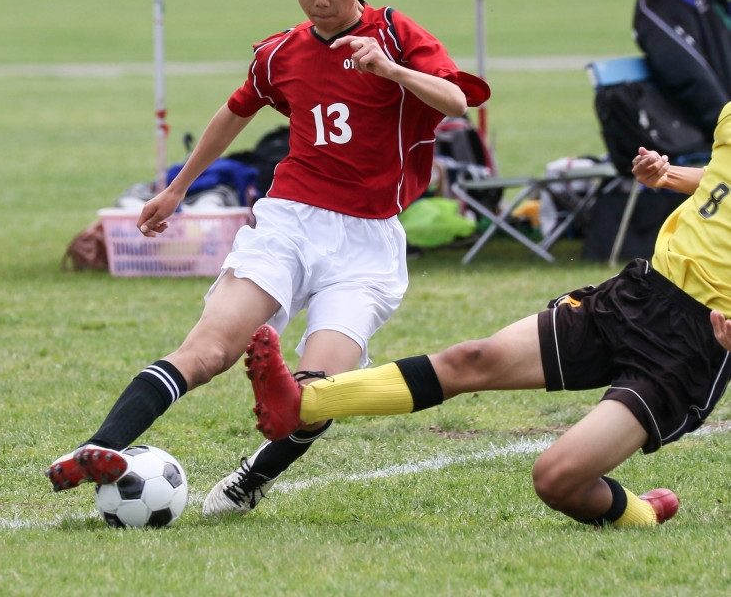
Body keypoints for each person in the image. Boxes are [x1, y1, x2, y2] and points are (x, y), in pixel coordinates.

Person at [45, 0, 490, 517]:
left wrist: (390, 70)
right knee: (208, 350)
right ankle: (98, 447)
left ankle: (251, 479)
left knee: (317, 395)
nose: (319, 0)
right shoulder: (280, 53)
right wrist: (177, 188)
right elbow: (234, 111)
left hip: (367, 247)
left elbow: (457, 102)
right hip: (289, 223)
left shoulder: (394, 32)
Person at [245, 101, 731, 527]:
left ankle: (641, 513)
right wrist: (667, 177)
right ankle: (300, 403)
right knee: (472, 358)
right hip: (641, 293)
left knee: (556, 479)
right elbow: (720, 181)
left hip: (693, 341)